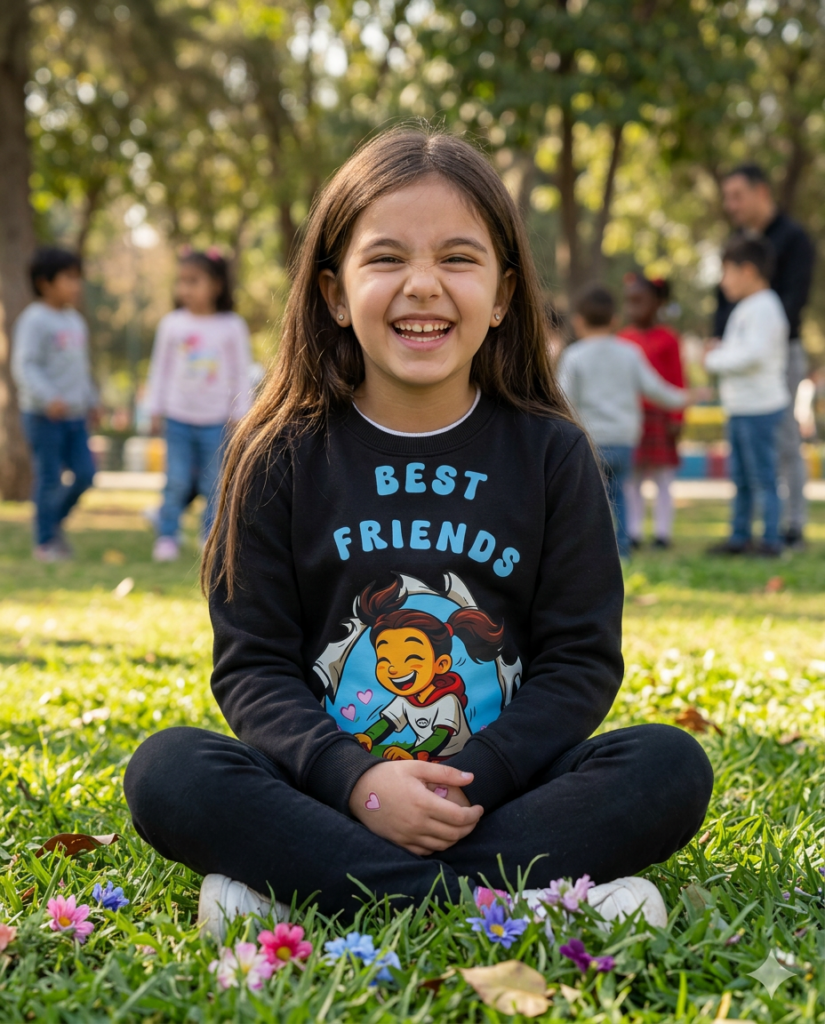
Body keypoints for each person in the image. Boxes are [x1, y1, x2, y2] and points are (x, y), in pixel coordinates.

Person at [124, 128, 713, 938]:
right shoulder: (276, 455)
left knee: (666, 766)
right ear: (334, 293)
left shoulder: (551, 454)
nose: (423, 285)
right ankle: (524, 904)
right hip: (327, 792)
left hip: (499, 794)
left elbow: (579, 662)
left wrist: (465, 783)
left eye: (458, 258)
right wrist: (360, 785)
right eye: (386, 258)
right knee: (168, 770)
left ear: (503, 294)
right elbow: (254, 668)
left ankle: (304, 892)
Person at [714, 163, 815, 549]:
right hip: (738, 360)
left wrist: (743, 349)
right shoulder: (738, 240)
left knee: (784, 441)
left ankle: (790, 525)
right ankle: (745, 531)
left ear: (762, 193)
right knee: (744, 462)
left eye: (737, 196)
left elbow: (792, 302)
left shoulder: (794, 238)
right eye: (727, 197)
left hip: (779, 354)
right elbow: (723, 303)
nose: (731, 205)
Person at [558, 284, 691, 558]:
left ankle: (593, 549)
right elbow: (655, 389)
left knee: (590, 497)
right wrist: (685, 398)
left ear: (579, 321)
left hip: (590, 440)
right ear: (614, 320)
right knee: (623, 493)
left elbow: (563, 399)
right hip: (625, 438)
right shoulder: (629, 352)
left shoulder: (574, 356)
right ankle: (624, 547)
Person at [145, 250, 252, 561]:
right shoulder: (172, 324)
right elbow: (160, 368)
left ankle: (210, 536)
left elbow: (240, 372)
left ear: (216, 285)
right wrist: (154, 408)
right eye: (181, 281)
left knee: (214, 482)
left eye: (193, 281)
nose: (185, 289)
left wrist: (241, 414)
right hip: (177, 417)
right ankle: (167, 535)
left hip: (216, 420)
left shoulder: (231, 326)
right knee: (176, 480)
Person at [11, 247, 98, 562]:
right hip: (43, 416)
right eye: (68, 278)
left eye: (78, 277)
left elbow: (80, 369)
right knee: (49, 478)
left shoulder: (75, 321)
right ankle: (45, 541)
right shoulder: (34, 320)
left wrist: (91, 399)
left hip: (75, 416)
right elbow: (25, 365)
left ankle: (52, 521)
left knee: (86, 474)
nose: (76, 285)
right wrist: (49, 398)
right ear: (45, 283)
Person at [705, 235, 789, 557]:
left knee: (762, 477)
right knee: (740, 477)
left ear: (748, 271)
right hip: (741, 407)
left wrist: (714, 358)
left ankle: (770, 540)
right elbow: (740, 350)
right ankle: (739, 537)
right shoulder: (747, 307)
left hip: (760, 408)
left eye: (727, 271)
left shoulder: (765, 307)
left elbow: (753, 354)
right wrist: (723, 351)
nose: (723, 280)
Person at [619, 274, 686, 550]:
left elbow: (678, 379)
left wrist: (678, 417)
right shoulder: (623, 339)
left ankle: (662, 533)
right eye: (629, 301)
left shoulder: (669, 338)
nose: (633, 307)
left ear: (656, 303)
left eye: (640, 301)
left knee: (663, 478)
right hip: (633, 418)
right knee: (631, 479)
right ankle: (633, 531)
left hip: (661, 417)